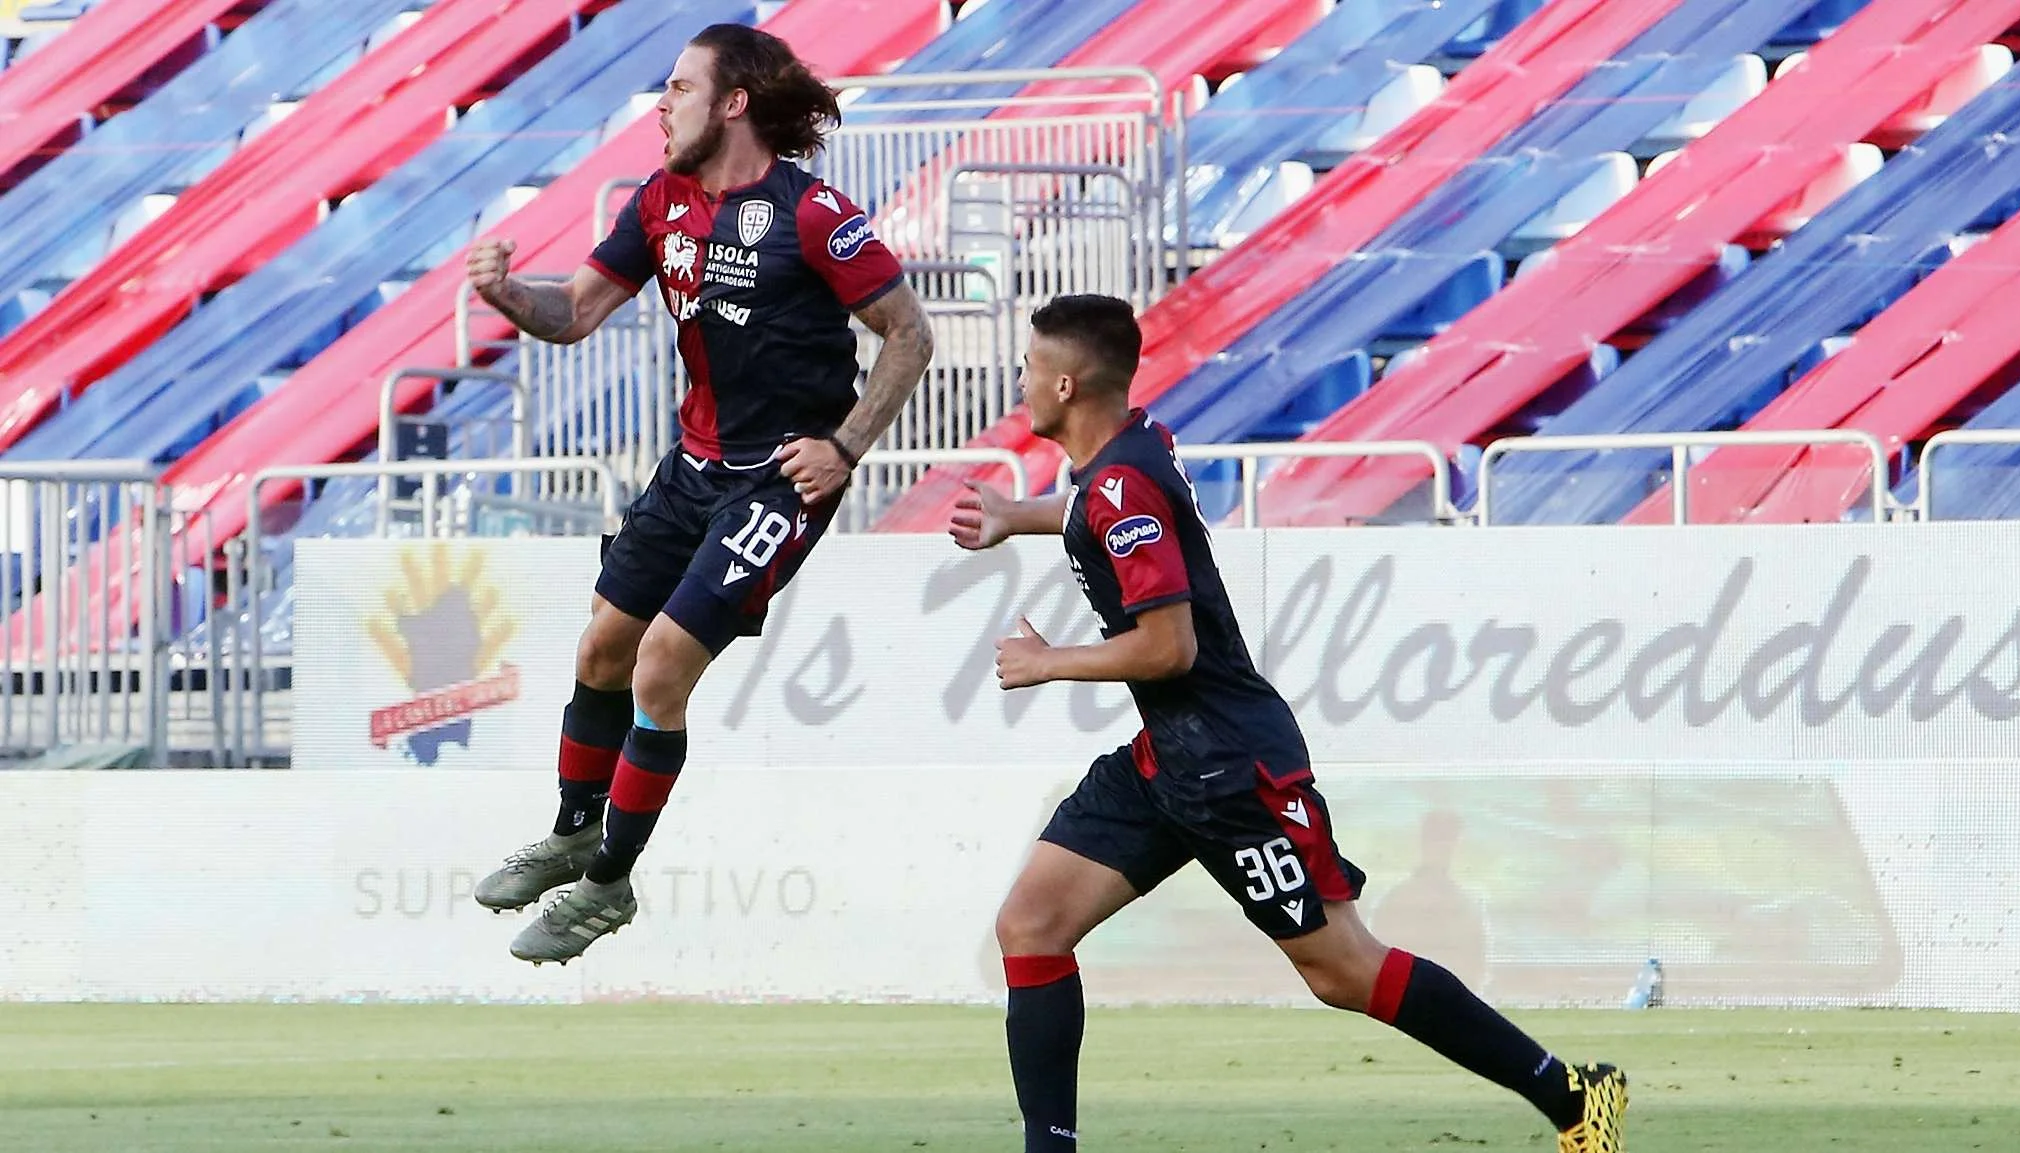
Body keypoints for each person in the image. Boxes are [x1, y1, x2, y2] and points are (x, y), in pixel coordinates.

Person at [948, 295, 1625, 1153]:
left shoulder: (1122, 486)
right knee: (1032, 924)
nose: (1020, 381)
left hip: (1234, 768)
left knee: (1343, 969)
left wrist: (1050, 662)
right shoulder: (1128, 453)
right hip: (1167, 761)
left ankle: (1572, 1094)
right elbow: (1096, 507)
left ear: (1066, 384)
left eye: (1029, 367)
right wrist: (1016, 516)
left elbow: (1169, 647)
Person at [463, 23, 934, 964]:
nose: (662, 106)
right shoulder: (660, 201)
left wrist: (845, 448)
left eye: (680, 88)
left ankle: (607, 885)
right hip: (693, 465)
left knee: (661, 664)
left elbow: (910, 333)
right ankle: (572, 833)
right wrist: (509, 296)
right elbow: (577, 310)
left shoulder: (814, 214)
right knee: (603, 645)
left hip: (779, 476)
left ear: (733, 103)